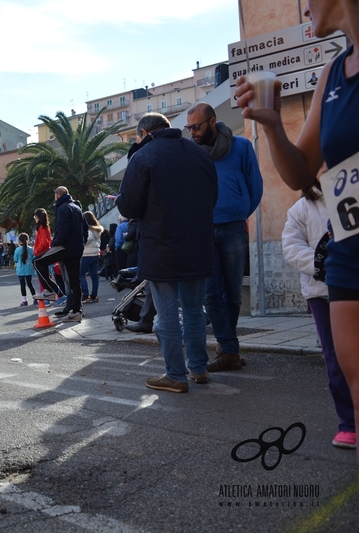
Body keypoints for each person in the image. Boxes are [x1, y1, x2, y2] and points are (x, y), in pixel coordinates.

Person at [236, 1, 359, 460]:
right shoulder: (332, 73)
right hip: (350, 247)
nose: (304, 8)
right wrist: (271, 128)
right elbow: (302, 173)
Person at [117, 112, 218, 393]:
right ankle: (198, 368)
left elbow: (129, 207)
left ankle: (175, 374)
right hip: (197, 245)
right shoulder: (199, 153)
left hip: (161, 247)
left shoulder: (144, 156)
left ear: (144, 133)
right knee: (195, 311)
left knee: (167, 314)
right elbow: (212, 197)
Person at [185, 103, 263, 372]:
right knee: (210, 294)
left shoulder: (241, 147)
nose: (192, 132)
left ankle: (227, 349)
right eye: (189, 128)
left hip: (233, 228)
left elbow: (255, 186)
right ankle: (229, 348)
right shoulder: (192, 154)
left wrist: (239, 211)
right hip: (203, 229)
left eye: (196, 126)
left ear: (213, 122)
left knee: (233, 293)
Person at [282, 180, 355, 449]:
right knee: (334, 357)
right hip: (321, 291)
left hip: (353, 286)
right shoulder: (301, 208)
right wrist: (319, 263)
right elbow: (290, 245)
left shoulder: (352, 195)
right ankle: (348, 423)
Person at [33, 187, 87, 323]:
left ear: (57, 195)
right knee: (74, 280)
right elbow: (85, 228)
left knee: (37, 261)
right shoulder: (76, 207)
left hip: (65, 246)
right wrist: (82, 243)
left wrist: (55, 243)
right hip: (77, 248)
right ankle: (76, 311)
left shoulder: (63, 208)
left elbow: (62, 230)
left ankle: (50, 290)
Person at [80, 211, 103, 304]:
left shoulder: (88, 230)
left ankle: (86, 294)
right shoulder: (97, 230)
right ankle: (94, 295)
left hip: (86, 254)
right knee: (94, 276)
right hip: (95, 254)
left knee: (81, 275)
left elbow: (86, 240)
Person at [14, 232, 37, 306]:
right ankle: (35, 299)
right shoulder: (31, 249)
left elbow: (16, 259)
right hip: (29, 269)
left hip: (20, 270)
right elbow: (34, 258)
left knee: (22, 285)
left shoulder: (17, 250)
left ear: (19, 241)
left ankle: (24, 300)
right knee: (30, 284)